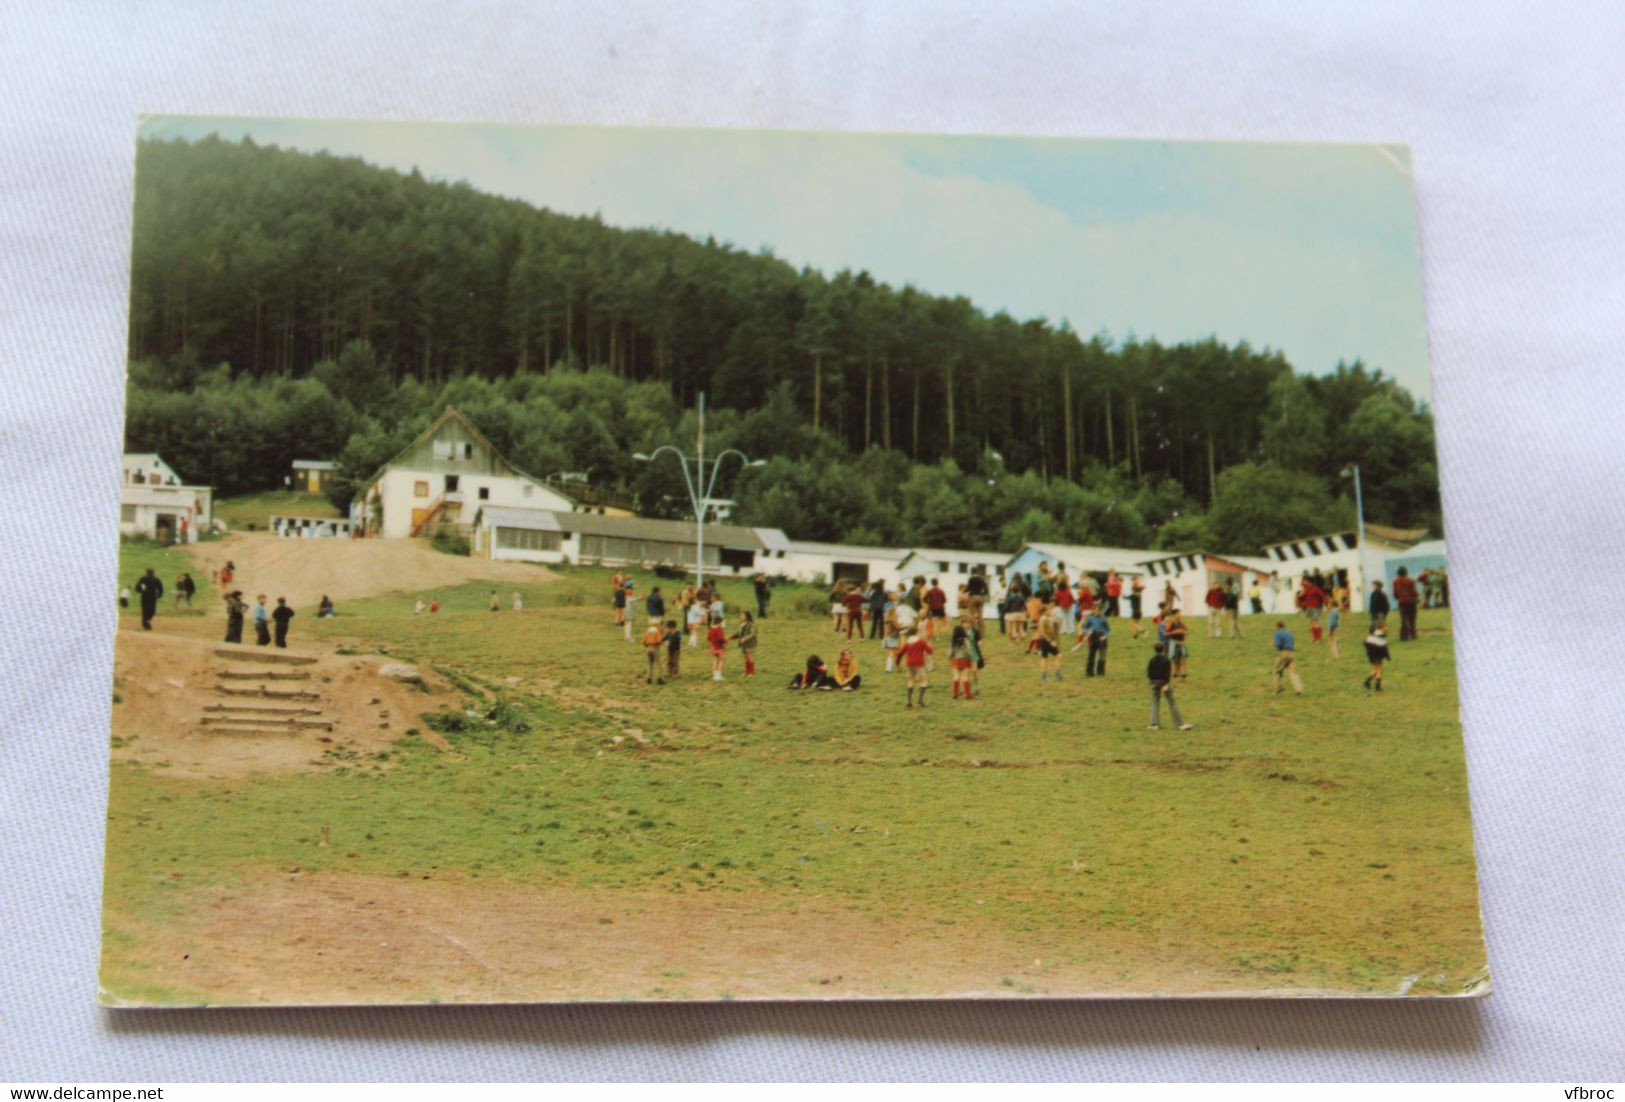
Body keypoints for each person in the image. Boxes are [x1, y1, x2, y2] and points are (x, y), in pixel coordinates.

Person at [1147, 642, 1192, 730]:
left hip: (1154, 683)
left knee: (1155, 703)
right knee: (1172, 702)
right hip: (1163, 683)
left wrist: (1152, 682)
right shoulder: (1166, 660)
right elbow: (1167, 673)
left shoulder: (1151, 660)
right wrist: (1166, 684)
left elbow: (1149, 672)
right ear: (1163, 649)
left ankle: (1154, 723)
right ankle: (1179, 723)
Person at [901, 628, 933, 708]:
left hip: (909, 664)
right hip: (919, 663)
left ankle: (909, 700)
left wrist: (897, 662)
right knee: (924, 682)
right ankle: (920, 699)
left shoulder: (907, 643)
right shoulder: (921, 641)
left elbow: (900, 652)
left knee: (911, 681)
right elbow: (929, 651)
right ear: (916, 632)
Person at [1271, 619, 1305, 695]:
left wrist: (1274, 644)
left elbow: (1279, 645)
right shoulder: (1289, 633)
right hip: (1291, 653)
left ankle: (1279, 687)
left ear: (1277, 626)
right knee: (1293, 672)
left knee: (1277, 671)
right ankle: (1299, 689)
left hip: (1283, 653)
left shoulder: (1277, 634)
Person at [1037, 599, 1064, 682]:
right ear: (1044, 611)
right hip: (1046, 640)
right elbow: (1043, 632)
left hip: (1045, 640)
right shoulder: (1043, 619)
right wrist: (1050, 641)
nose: (1050, 611)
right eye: (1048, 610)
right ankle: (1056, 674)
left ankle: (1044, 676)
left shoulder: (1046, 618)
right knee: (1058, 655)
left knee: (1045, 658)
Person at [948, 625, 976, 700]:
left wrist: (950, 658)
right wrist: (972, 659)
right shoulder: (966, 641)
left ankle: (955, 693)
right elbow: (969, 652)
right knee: (965, 677)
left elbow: (951, 651)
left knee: (956, 676)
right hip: (965, 661)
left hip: (956, 660)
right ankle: (967, 694)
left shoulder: (953, 641)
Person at [1393, 566, 1420, 641]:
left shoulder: (1395, 581)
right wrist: (1416, 596)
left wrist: (1399, 598)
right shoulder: (1410, 581)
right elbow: (1414, 592)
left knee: (1404, 619)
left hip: (1402, 602)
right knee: (1412, 619)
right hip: (1411, 602)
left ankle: (1404, 636)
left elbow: (1395, 593)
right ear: (1406, 572)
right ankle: (1413, 635)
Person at [1083, 608, 1111, 677]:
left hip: (1102, 637)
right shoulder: (1090, 618)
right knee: (1091, 655)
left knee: (1102, 655)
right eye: (1095, 610)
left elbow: (1109, 631)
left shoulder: (1104, 619)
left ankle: (1100, 672)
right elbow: (1085, 628)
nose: (1097, 612)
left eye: (1099, 610)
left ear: (1101, 611)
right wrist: (1088, 633)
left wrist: (1104, 637)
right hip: (1093, 637)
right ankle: (1089, 672)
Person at [1164, 606, 1190, 679]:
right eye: (1178, 613)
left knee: (1183, 659)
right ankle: (1175, 675)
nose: (1180, 615)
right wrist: (1175, 632)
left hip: (1182, 643)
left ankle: (1183, 675)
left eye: (1180, 613)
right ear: (1174, 615)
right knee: (1174, 660)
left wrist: (1185, 632)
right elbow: (1166, 633)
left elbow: (1187, 630)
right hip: (1174, 643)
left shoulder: (1181, 622)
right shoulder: (1171, 623)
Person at [1363, 626, 1392, 692]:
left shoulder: (1371, 636)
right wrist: (1388, 657)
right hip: (1378, 656)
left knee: (1375, 669)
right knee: (1379, 669)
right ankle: (1377, 686)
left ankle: (1367, 682)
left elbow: (1366, 644)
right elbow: (1385, 649)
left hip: (1371, 655)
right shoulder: (1382, 638)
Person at [641, 618, 666, 685]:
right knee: (658, 663)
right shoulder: (656, 632)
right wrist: (662, 642)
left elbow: (643, 641)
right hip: (655, 648)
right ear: (656, 624)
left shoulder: (647, 632)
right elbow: (659, 641)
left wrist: (647, 646)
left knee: (650, 663)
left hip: (648, 648)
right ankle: (660, 678)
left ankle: (648, 677)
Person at [735, 610, 758, 676]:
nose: (741, 617)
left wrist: (744, 639)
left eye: (743, 615)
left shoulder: (751, 625)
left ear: (747, 617)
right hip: (744, 644)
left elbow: (753, 634)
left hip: (750, 644)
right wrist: (731, 637)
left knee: (749, 656)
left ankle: (751, 672)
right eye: (741, 615)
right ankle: (747, 671)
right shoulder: (742, 625)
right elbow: (739, 633)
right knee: (746, 657)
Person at [706, 613, 728, 681]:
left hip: (713, 647)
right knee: (721, 660)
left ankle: (714, 675)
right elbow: (720, 638)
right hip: (719, 647)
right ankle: (719, 676)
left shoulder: (711, 629)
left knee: (715, 660)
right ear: (720, 622)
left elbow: (708, 638)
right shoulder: (719, 629)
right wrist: (725, 640)